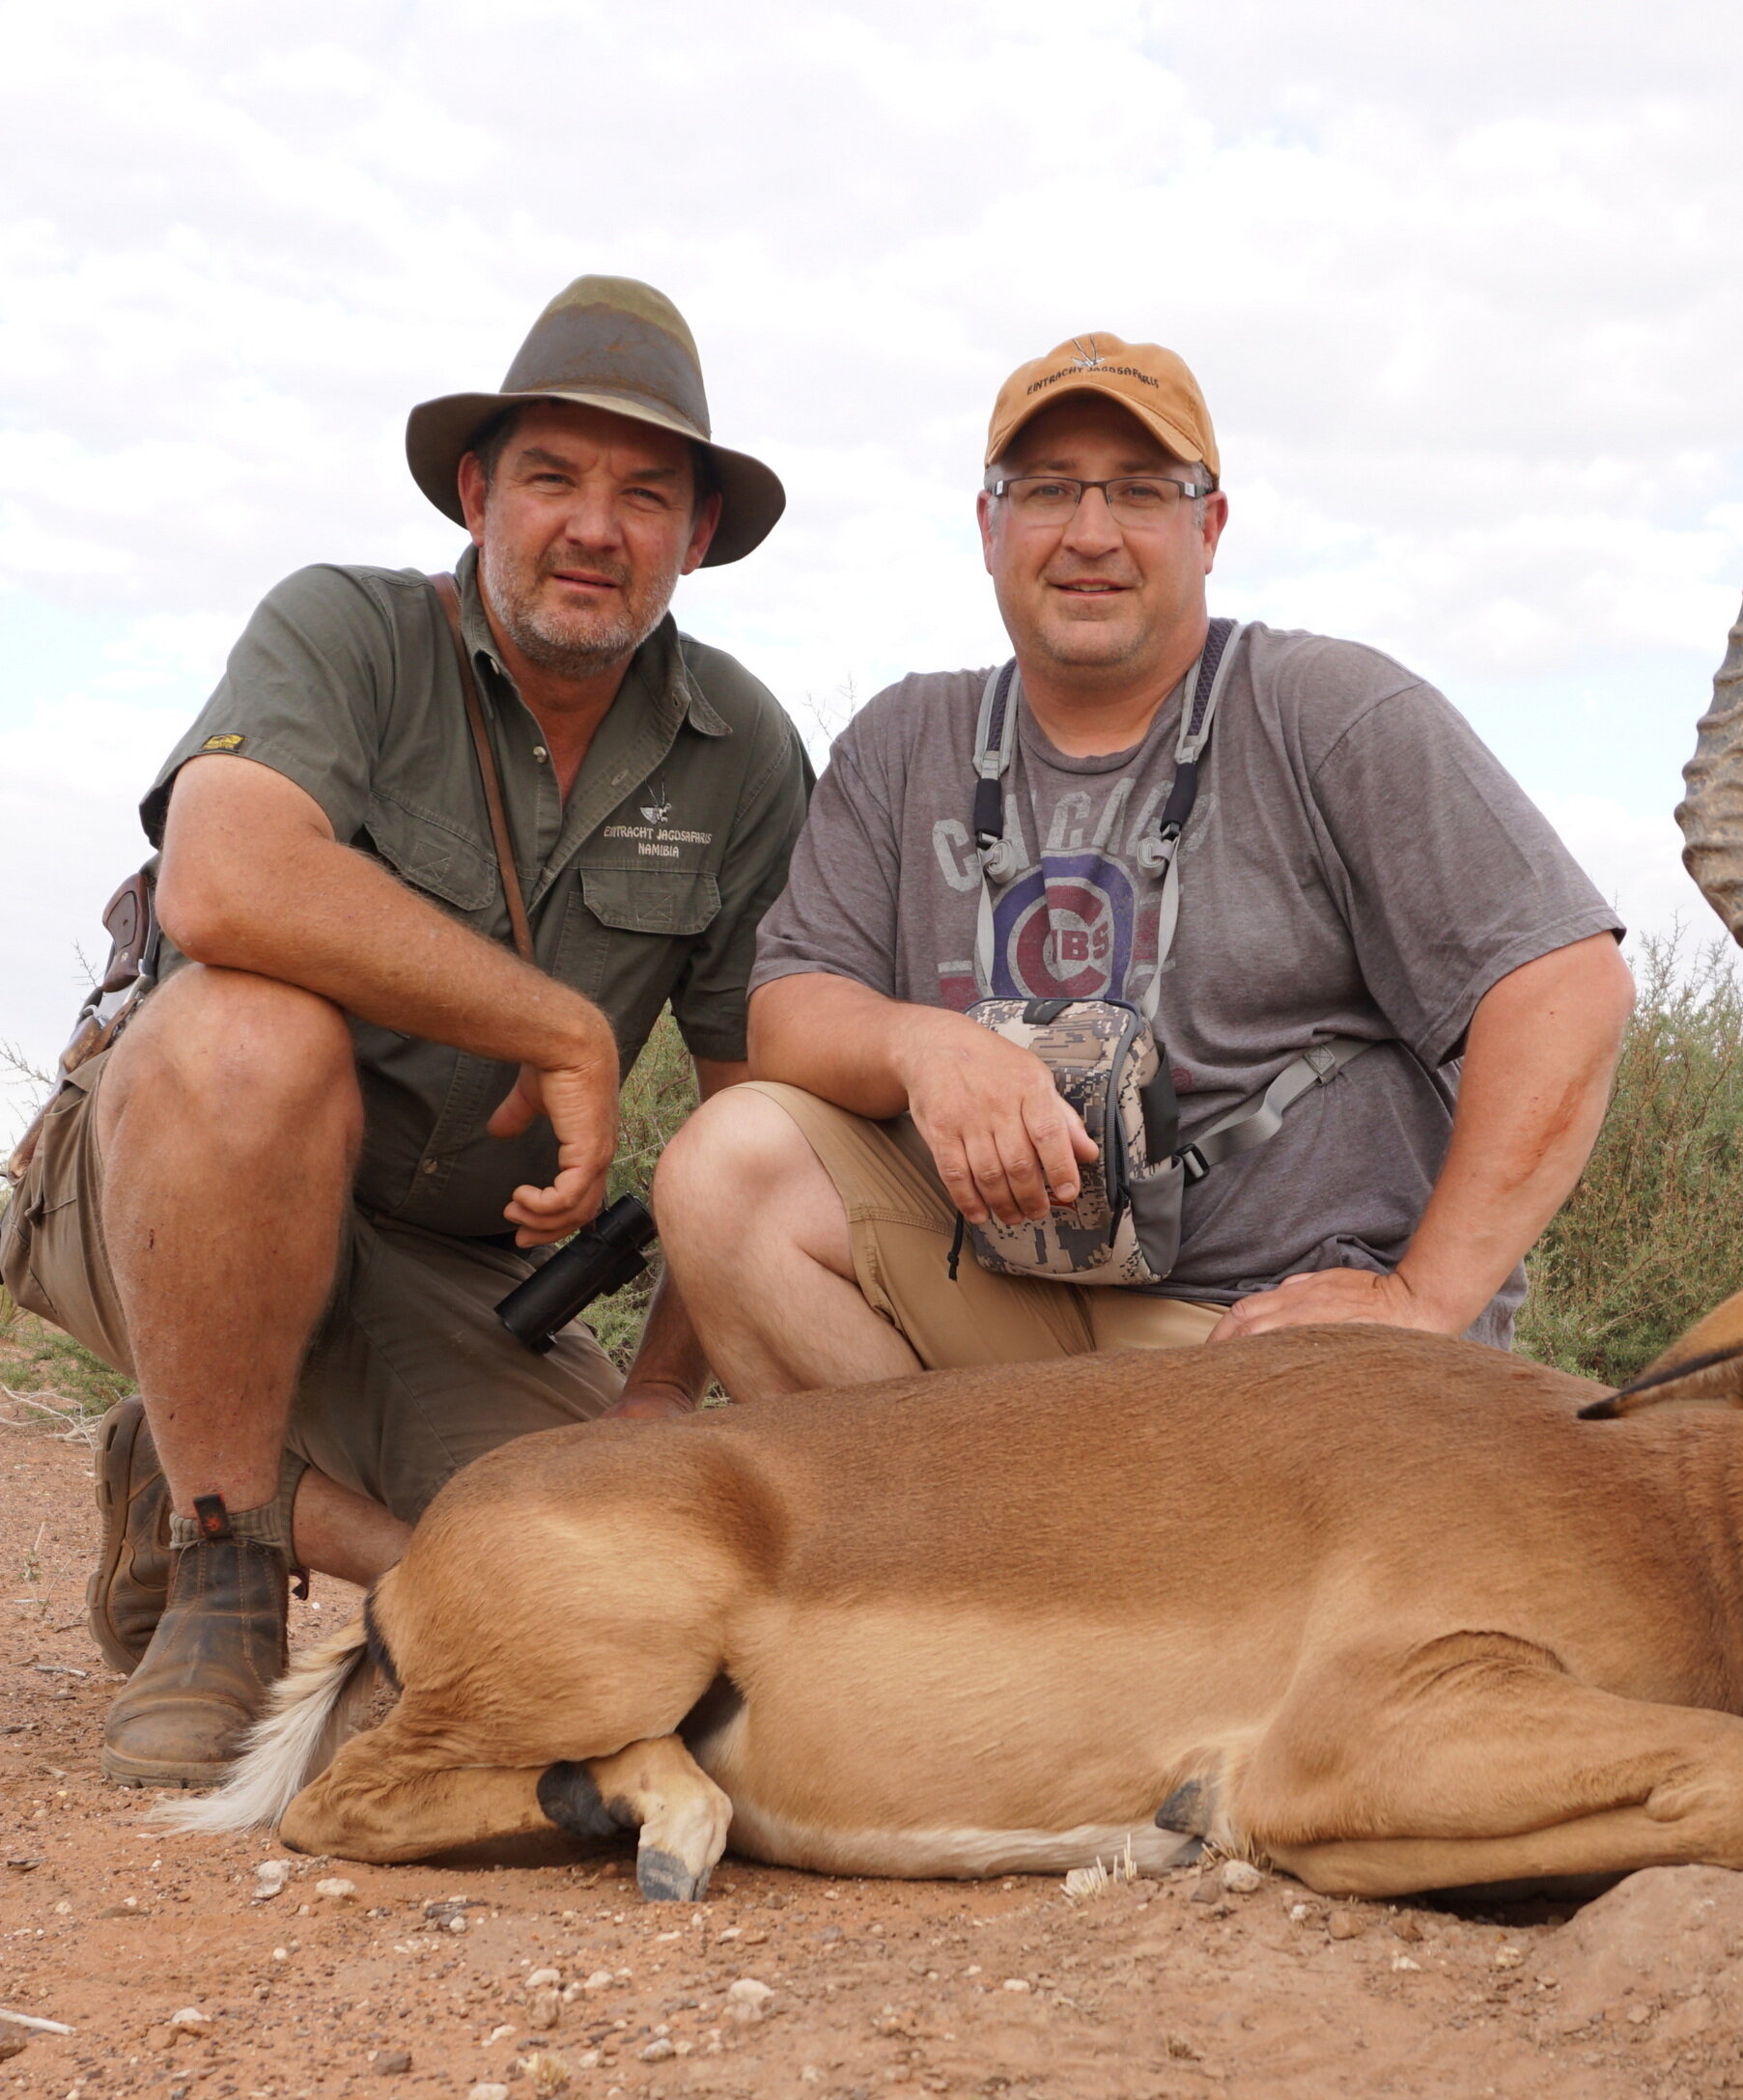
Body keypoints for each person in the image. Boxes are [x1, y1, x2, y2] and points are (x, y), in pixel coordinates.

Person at [60, 276, 808, 1788]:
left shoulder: (746, 752)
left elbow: (761, 1120)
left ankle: (205, 1475)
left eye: (644, 494)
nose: (593, 527)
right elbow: (221, 878)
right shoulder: (343, 627)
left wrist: (667, 1388)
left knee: (588, 1572)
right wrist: (562, 1028)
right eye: (551, 477)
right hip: (177, 1175)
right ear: (477, 493)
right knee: (251, 1037)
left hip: (459, 1269)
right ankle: (220, 1575)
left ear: (700, 536)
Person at [653, 332, 1627, 1390]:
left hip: (1269, 1332)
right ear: (989, 527)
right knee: (728, 1173)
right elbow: (789, 1009)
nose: (1090, 533)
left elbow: (1568, 988)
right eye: (1047, 490)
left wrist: (1423, 1301)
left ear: (1208, 527)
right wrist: (926, 1049)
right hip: (1002, 1299)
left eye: (1141, 492)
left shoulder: (1332, 711)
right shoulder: (905, 738)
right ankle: (936, 1547)